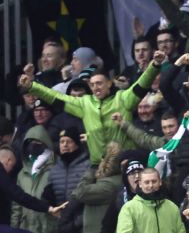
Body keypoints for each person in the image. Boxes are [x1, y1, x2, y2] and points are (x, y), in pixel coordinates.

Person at [18, 50, 166, 163]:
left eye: (99, 83)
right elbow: (55, 97)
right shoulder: (84, 103)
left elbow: (141, 85)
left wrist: (154, 66)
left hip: (124, 163)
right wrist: (32, 86)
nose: (96, 87)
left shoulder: (122, 98)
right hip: (97, 166)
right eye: (93, 85)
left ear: (109, 83)